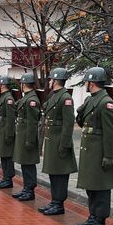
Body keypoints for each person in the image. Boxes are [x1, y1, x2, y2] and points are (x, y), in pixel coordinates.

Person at [74, 67, 113, 225]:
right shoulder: (92, 99)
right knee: (91, 187)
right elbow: (83, 124)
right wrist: (80, 113)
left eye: (86, 81)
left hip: (99, 151)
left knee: (100, 188)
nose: (85, 83)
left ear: (91, 83)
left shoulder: (105, 102)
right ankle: (93, 217)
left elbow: (111, 132)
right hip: (90, 150)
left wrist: (109, 155)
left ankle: (99, 222)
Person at [39, 68, 77, 216]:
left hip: (59, 142)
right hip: (52, 141)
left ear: (55, 80)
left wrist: (64, 145)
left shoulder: (65, 98)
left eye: (51, 80)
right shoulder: (54, 96)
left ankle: (59, 203)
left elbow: (68, 124)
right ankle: (55, 201)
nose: (49, 82)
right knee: (53, 173)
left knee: (60, 175)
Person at [12, 73, 41, 201]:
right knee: (25, 164)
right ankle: (26, 188)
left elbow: (32, 122)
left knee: (28, 164)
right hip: (23, 136)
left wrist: (30, 140)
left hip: (27, 137)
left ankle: (30, 190)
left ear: (24, 84)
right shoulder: (27, 98)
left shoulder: (31, 100)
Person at [0, 76, 16, 189]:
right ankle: (5, 177)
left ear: (3, 86)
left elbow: (11, 118)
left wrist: (9, 134)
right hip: (2, 130)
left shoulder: (8, 99)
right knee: (3, 155)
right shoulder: (3, 97)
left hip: (6, 132)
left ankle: (8, 179)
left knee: (7, 156)